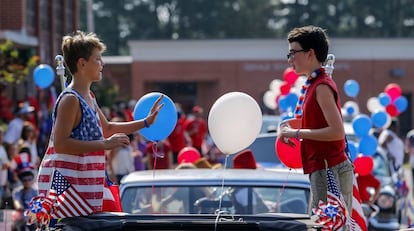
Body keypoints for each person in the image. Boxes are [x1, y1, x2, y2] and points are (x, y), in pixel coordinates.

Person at [35, 30, 163, 222]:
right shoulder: (70, 99)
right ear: (82, 63)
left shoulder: (90, 97)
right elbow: (61, 144)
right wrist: (105, 144)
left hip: (84, 191)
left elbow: (108, 128)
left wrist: (146, 122)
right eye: (98, 59)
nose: (102, 64)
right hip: (67, 195)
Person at [278, 25, 354, 215]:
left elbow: (336, 132)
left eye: (293, 53)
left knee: (328, 225)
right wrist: (285, 128)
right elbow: (315, 123)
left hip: (330, 169)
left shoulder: (321, 86)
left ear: (310, 53)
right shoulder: (314, 84)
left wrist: (295, 133)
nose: (290, 60)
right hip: (324, 168)